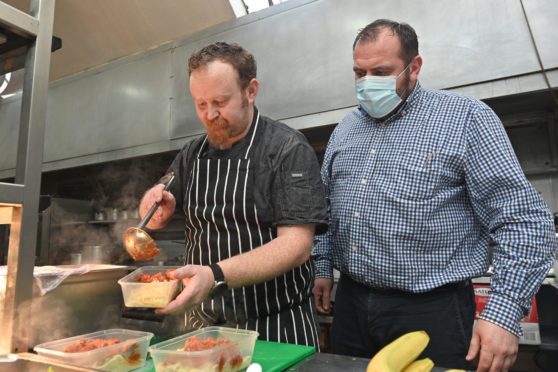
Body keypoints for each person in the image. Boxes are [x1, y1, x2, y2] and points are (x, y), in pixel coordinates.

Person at [311, 19, 557, 371]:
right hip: (351, 302)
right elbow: (326, 208)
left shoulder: (465, 118)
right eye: (359, 73)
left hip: (432, 310)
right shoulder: (346, 129)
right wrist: (322, 266)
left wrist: (502, 313)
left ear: (415, 67)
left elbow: (524, 220)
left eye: (381, 71)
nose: (367, 83)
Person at [138, 41, 328, 348]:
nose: (210, 114)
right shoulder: (192, 153)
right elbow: (157, 202)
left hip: (275, 327)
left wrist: (214, 275)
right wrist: (154, 206)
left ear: (251, 90)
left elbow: (296, 245)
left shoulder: (287, 149)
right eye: (200, 104)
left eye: (220, 101)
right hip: (203, 326)